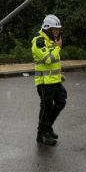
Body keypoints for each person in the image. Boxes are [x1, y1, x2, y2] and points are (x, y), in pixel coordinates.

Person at [32, 14, 67, 146]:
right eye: (55, 29)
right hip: (44, 82)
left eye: (58, 29)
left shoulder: (50, 40)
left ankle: (48, 127)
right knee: (47, 107)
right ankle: (41, 134)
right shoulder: (39, 41)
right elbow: (48, 60)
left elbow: (54, 63)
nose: (57, 32)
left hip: (54, 80)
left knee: (61, 101)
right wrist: (58, 48)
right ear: (47, 29)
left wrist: (59, 75)